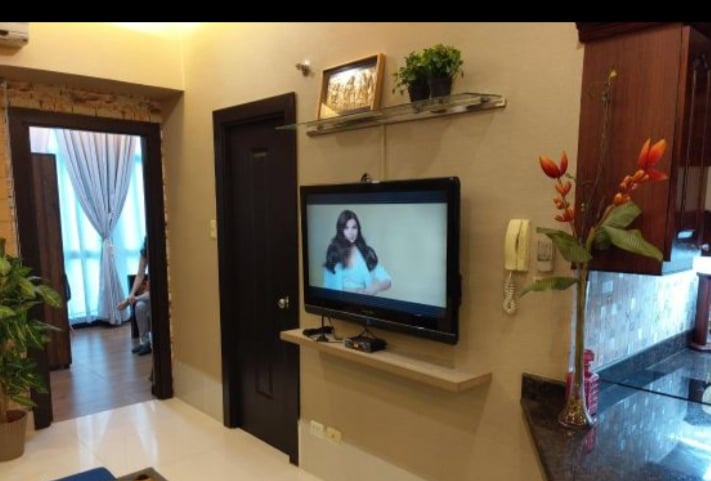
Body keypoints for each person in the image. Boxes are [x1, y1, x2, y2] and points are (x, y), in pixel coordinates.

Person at [323, 210, 391, 295]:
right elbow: (327, 285)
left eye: (354, 227)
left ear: (358, 229)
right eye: (346, 228)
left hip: (362, 301)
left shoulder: (366, 252)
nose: (351, 232)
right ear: (340, 230)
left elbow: (387, 280)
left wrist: (374, 288)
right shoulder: (333, 252)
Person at [118, 236, 151, 355]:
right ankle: (145, 343)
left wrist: (130, 299)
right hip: (149, 292)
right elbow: (140, 275)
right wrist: (131, 293)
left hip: (158, 292)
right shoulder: (144, 253)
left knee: (142, 299)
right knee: (139, 306)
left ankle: (130, 300)